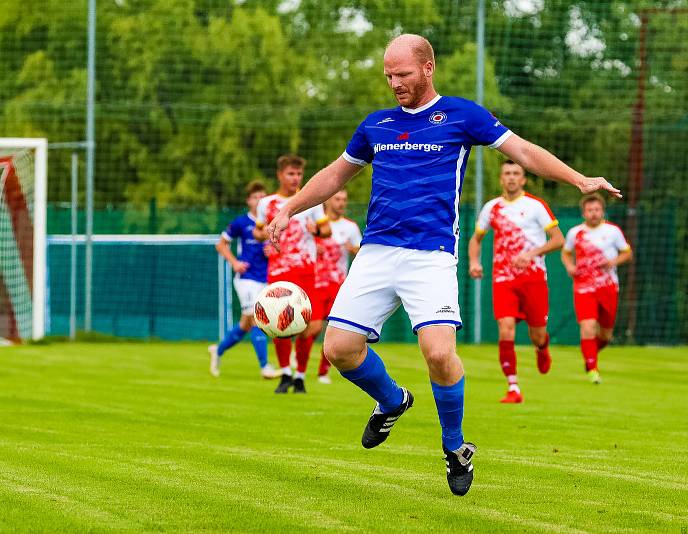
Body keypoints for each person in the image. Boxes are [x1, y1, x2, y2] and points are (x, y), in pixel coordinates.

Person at [265, 34, 621, 496]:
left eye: (404, 74)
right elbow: (336, 173)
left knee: (437, 352)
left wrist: (579, 179)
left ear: (428, 68)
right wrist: (289, 207)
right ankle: (392, 400)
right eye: (389, 75)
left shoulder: (463, 115)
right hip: (375, 251)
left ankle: (455, 447)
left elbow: (525, 153)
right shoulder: (376, 125)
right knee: (338, 350)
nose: (395, 83)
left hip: (430, 255)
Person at [468, 160, 564, 403]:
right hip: (503, 278)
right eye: (507, 173)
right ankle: (513, 387)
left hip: (533, 278)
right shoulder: (492, 208)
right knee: (506, 328)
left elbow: (558, 240)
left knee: (538, 334)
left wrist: (531, 254)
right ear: (501, 179)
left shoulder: (536, 206)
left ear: (523, 179)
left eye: (516, 173)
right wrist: (474, 262)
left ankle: (542, 348)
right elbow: (476, 239)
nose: (511, 177)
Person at [253, 154, 331, 394]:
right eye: (290, 173)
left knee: (312, 326)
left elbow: (327, 230)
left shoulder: (311, 201)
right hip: (279, 270)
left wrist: (316, 229)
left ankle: (300, 375)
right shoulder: (267, 203)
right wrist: (265, 236)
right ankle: (286, 374)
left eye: (298, 174)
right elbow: (257, 233)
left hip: (307, 270)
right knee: (280, 322)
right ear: (280, 175)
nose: (295, 178)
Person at [209, 181, 280, 379]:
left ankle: (218, 350)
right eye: (256, 197)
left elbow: (281, 248)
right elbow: (221, 244)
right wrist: (234, 263)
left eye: (263, 197)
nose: (259, 201)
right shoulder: (241, 222)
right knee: (258, 319)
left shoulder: (273, 223)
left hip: (265, 278)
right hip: (246, 278)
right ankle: (265, 367)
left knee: (245, 324)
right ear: (249, 200)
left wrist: (273, 251)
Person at [561, 194, 632, 384]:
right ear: (584, 213)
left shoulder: (613, 231)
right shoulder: (575, 233)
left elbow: (627, 252)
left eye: (597, 210)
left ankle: (589, 353)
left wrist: (613, 261)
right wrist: (570, 267)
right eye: (590, 210)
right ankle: (592, 368)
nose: (593, 213)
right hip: (584, 287)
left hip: (608, 287)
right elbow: (566, 253)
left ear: (602, 211)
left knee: (605, 335)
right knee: (588, 326)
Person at [314, 190, 362, 384]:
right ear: (327, 200)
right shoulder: (317, 224)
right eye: (337, 199)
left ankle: (323, 371)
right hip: (316, 282)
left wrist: (354, 249)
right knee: (312, 327)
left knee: (333, 329)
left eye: (344, 199)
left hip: (339, 284)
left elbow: (362, 250)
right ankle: (297, 361)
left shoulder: (350, 227)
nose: (341, 203)